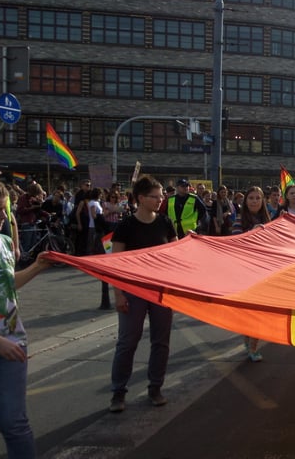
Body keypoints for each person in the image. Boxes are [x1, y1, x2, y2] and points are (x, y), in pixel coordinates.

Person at [0, 179, 51, 458]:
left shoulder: (3, 242)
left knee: (13, 422)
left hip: (12, 343)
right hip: (1, 343)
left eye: (3, 208)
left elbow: (8, 284)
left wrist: (38, 266)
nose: (3, 216)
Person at [109, 175, 178, 413]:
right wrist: (118, 294)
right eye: (154, 196)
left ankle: (155, 387)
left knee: (161, 342)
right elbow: (115, 264)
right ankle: (118, 392)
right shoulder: (126, 225)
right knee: (128, 342)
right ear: (140, 198)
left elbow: (176, 255)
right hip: (133, 291)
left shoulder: (165, 223)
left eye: (161, 196)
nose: (160, 200)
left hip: (161, 291)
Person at [231, 186, 272, 361]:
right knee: (249, 312)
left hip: (265, 273)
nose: (254, 201)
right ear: (245, 201)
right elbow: (235, 244)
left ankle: (252, 345)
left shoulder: (269, 220)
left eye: (258, 198)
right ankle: (250, 344)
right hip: (246, 273)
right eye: (251, 198)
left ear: (263, 201)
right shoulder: (239, 221)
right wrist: (252, 233)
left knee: (260, 312)